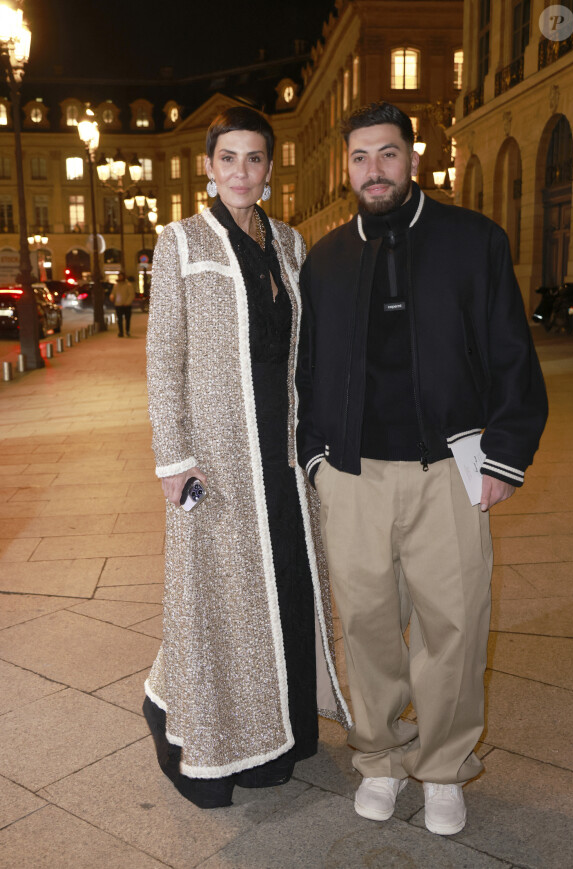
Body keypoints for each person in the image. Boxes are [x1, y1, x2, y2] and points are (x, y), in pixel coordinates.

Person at [296, 101, 548, 835]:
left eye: (387, 154)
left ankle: (443, 767)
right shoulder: (327, 259)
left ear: (414, 157)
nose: (373, 170)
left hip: (449, 468)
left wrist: (502, 454)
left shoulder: (475, 241)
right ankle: (379, 756)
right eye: (360, 159)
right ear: (348, 169)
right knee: (369, 624)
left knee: (454, 625)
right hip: (353, 474)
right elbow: (308, 372)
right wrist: (316, 458)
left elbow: (511, 354)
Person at [144, 106, 350, 810]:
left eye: (254, 158)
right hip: (218, 454)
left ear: (269, 167)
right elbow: (163, 359)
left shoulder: (290, 243)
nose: (241, 171)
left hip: (281, 449)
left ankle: (280, 734)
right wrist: (174, 459)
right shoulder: (180, 243)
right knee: (220, 598)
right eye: (228, 158)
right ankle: (216, 736)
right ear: (208, 166)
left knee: (284, 586)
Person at [110, 271, 135, 337]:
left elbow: (131, 295)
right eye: (119, 276)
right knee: (119, 320)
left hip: (126, 305)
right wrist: (112, 296)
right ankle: (121, 332)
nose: (120, 278)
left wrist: (127, 303)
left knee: (127, 319)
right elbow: (113, 293)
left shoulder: (128, 285)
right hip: (118, 305)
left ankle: (127, 331)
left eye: (121, 276)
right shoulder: (116, 285)